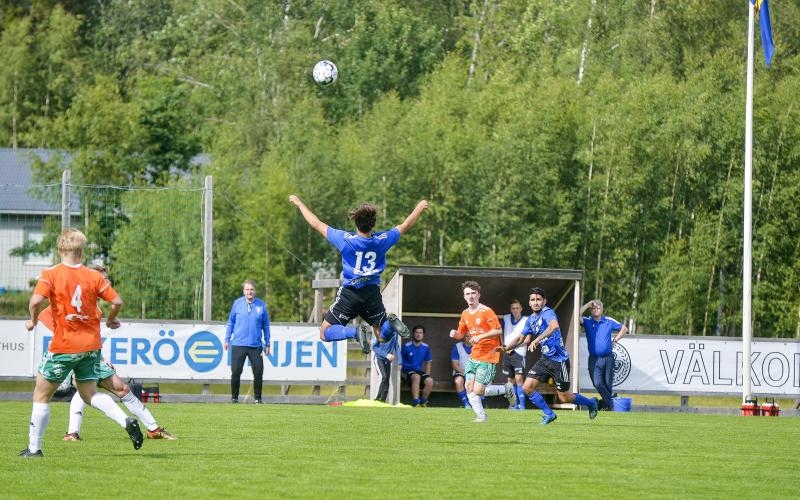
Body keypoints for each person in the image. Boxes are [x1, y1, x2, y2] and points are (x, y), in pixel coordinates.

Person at [19, 228, 143, 458]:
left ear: (60, 249)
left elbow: (36, 301)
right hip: (90, 347)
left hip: (64, 346)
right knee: (89, 394)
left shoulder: (51, 273)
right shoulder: (94, 276)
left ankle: (34, 449)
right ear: (81, 251)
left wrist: (33, 320)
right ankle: (126, 420)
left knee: (41, 394)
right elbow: (117, 301)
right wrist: (111, 318)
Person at [35, 265, 176, 441]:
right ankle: (150, 428)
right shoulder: (74, 303)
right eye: (103, 279)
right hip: (75, 354)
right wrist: (65, 338)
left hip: (90, 356)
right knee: (112, 389)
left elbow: (90, 337)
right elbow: (43, 315)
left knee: (93, 390)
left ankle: (72, 433)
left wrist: (100, 357)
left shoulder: (95, 308)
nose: (107, 282)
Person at [288, 195, 427, 353]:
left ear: (356, 223)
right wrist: (419, 207)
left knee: (324, 333)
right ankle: (390, 324)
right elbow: (404, 226)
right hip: (371, 294)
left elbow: (316, 224)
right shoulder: (382, 240)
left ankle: (354, 332)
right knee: (381, 335)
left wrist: (300, 204)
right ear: (373, 224)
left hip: (350, 294)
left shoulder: (345, 240)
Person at [499, 287, 599, 425]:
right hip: (545, 359)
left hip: (559, 360)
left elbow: (554, 326)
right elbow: (520, 338)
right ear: (529, 302)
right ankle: (549, 413)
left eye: (538, 299)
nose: (535, 302)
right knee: (527, 387)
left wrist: (537, 339)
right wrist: (506, 348)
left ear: (544, 301)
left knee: (564, 397)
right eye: (533, 300)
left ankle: (591, 402)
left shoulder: (548, 312)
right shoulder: (531, 320)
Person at [449, 281, 503, 423]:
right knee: (468, 386)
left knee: (478, 390)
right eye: (468, 294)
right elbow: (461, 334)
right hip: (474, 355)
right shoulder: (465, 313)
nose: (471, 296)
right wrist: (454, 334)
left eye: (473, 293)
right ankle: (481, 416)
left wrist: (480, 336)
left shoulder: (486, 311)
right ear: (464, 296)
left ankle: (507, 389)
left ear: (478, 294)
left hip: (488, 355)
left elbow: (498, 330)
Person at [225, 280, 271, 404]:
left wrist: (267, 343)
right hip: (238, 344)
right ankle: (234, 398)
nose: (249, 292)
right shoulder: (237, 304)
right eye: (247, 289)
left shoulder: (261, 305)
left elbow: (266, 326)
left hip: (255, 346)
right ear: (243, 291)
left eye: (251, 289)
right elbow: (230, 323)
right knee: (235, 371)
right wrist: (227, 339)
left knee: (258, 371)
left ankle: (258, 398)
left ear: (254, 291)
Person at [580, 299, 628, 411]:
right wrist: (588, 304)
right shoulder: (587, 321)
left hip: (608, 358)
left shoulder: (608, 321)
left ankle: (606, 406)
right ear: (591, 310)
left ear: (602, 309)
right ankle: (611, 401)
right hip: (594, 359)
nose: (596, 310)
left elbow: (624, 329)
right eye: (594, 308)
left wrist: (614, 340)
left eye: (598, 308)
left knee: (607, 385)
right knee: (597, 383)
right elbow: (576, 314)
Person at [451, 339, 513, 409]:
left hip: (479, 372)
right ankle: (468, 405)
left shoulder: (480, 346)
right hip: (462, 372)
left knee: (479, 388)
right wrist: (468, 374)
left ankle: (505, 389)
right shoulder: (458, 346)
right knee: (460, 381)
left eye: (469, 336)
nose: (468, 337)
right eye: (466, 336)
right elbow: (455, 365)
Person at [501, 299, 529, 409]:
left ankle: (522, 406)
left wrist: (512, 347)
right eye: (513, 308)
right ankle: (513, 404)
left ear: (521, 308)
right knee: (509, 381)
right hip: (507, 353)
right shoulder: (506, 318)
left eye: (517, 308)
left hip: (519, 353)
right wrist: (503, 344)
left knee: (518, 379)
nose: (515, 310)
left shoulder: (526, 320)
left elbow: (527, 340)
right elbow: (499, 330)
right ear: (510, 309)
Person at [399, 325, 434, 406]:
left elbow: (428, 362)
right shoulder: (407, 346)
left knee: (430, 381)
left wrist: (427, 375)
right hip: (407, 372)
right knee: (416, 377)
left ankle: (423, 402)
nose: (418, 334)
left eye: (420, 333)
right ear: (413, 334)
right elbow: (399, 359)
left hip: (418, 371)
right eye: (416, 332)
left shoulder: (425, 347)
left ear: (423, 335)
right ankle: (416, 403)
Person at [372, 322, 399, 403]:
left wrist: (400, 362)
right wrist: (386, 355)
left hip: (387, 361)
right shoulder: (379, 333)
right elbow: (374, 348)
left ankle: (382, 400)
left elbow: (396, 347)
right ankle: (376, 398)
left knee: (387, 379)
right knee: (383, 377)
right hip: (379, 358)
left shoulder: (395, 334)